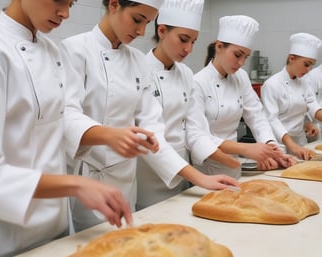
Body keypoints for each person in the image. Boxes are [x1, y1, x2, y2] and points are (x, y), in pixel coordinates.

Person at [61, 0, 239, 231]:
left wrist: (200, 178)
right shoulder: (74, 49)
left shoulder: (136, 60)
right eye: (137, 19)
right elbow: (66, 115)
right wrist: (110, 135)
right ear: (114, 4)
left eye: (147, 22)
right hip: (89, 180)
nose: (142, 31)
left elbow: (153, 131)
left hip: (126, 180)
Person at [0, 1, 133, 256]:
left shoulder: (53, 52)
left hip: (56, 227)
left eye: (71, 3)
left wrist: (108, 134)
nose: (65, 13)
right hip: (7, 235)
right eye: (58, 0)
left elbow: (63, 119)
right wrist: (75, 185)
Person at [186, 15, 296, 179]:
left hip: (235, 164)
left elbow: (257, 116)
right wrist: (247, 150)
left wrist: (272, 149)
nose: (241, 62)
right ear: (219, 46)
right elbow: (199, 137)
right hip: (207, 168)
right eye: (237, 55)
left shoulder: (241, 77)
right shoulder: (197, 83)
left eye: (246, 57)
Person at [136, 0, 207, 210]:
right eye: (184, 40)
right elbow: (147, 134)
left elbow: (194, 126)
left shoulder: (186, 74)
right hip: (149, 173)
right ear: (162, 31)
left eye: (194, 42)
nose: (189, 49)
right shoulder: (140, 68)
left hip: (182, 169)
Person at [260, 33, 322, 160]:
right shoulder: (272, 84)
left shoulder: (303, 83)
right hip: (278, 143)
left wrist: (309, 124)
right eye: (306, 64)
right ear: (291, 58)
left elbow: (312, 107)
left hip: (300, 141)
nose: (309, 70)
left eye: (311, 65)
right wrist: (292, 146)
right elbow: (272, 120)